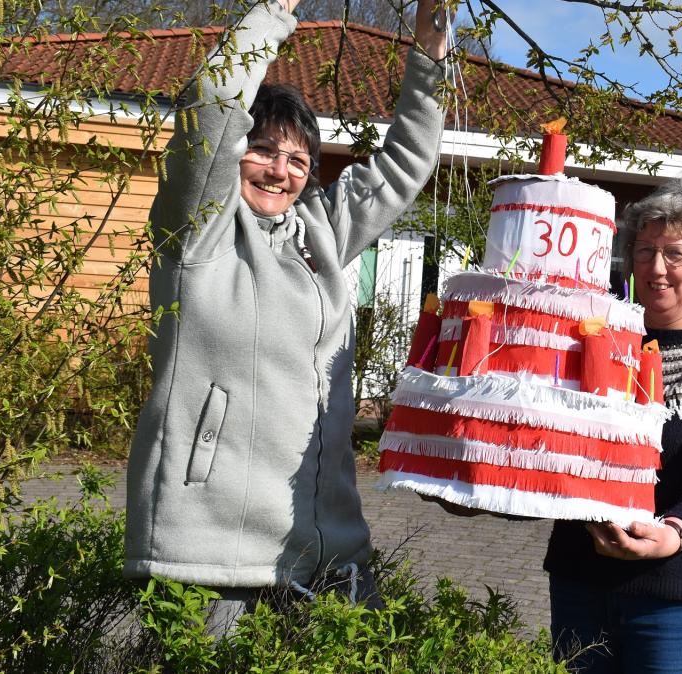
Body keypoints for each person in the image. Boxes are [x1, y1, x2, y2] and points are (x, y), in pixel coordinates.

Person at [123, 0, 448, 633]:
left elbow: (407, 160)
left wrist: (431, 43)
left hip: (328, 552)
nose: (282, 171)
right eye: (264, 151)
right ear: (232, 154)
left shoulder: (321, 231)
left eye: (298, 160)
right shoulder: (197, 232)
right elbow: (214, 103)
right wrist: (274, 11)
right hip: (212, 558)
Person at [544, 175, 682, 673]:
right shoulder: (593, 345)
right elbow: (556, 462)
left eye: (676, 254)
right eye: (644, 250)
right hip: (581, 587)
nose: (657, 267)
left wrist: (671, 534)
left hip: (676, 598)